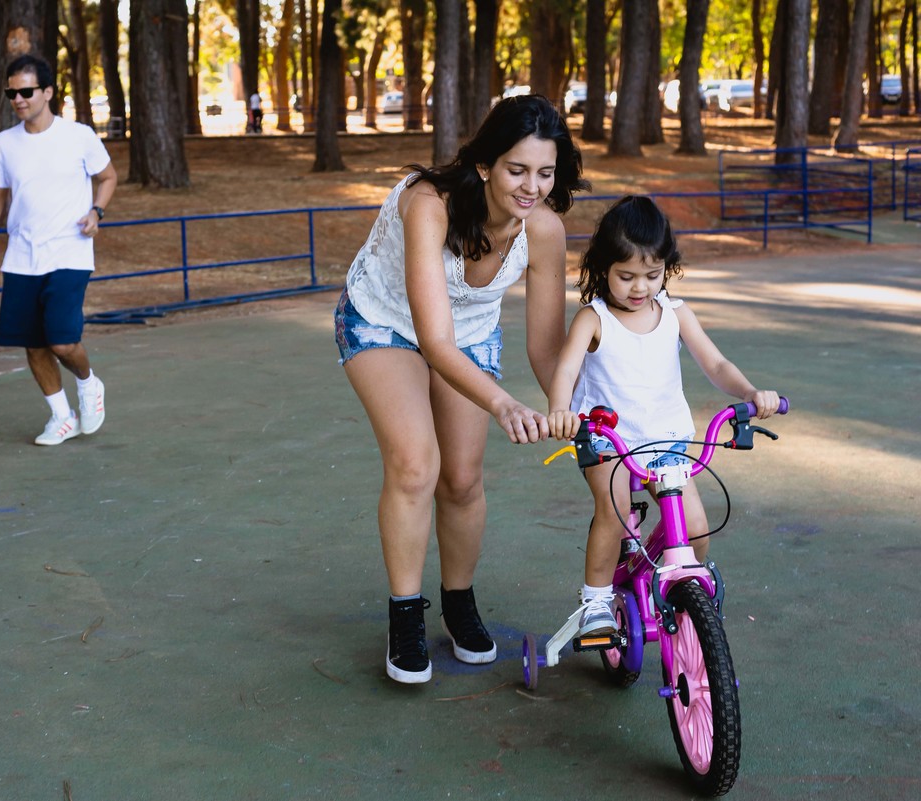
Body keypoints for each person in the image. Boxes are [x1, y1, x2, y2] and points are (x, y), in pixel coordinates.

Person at [334, 95, 589, 684]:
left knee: (463, 477)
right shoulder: (430, 204)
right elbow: (432, 338)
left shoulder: (544, 229)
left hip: (468, 332)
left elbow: (547, 350)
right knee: (415, 464)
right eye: (516, 169)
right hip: (384, 319)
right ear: (485, 166)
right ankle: (405, 616)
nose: (531, 186)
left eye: (545, 173)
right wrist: (502, 403)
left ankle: (458, 600)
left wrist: (567, 409)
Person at [546, 196, 781, 638]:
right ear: (603, 269)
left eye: (652, 275)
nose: (639, 288)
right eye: (626, 276)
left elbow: (716, 364)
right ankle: (596, 600)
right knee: (613, 512)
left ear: (666, 268)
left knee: (695, 528)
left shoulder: (674, 313)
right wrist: (561, 410)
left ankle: (682, 586)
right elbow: (566, 368)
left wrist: (749, 392)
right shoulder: (593, 319)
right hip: (608, 441)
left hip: (667, 439)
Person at [0, 54, 118, 446]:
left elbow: (107, 176)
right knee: (33, 344)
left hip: (69, 251)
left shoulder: (79, 135)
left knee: (62, 341)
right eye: (11, 92)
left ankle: (88, 384)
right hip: (21, 256)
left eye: (25, 91)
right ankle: (61, 416)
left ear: (47, 92)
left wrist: (96, 210)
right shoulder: (3, 144)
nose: (17, 99)